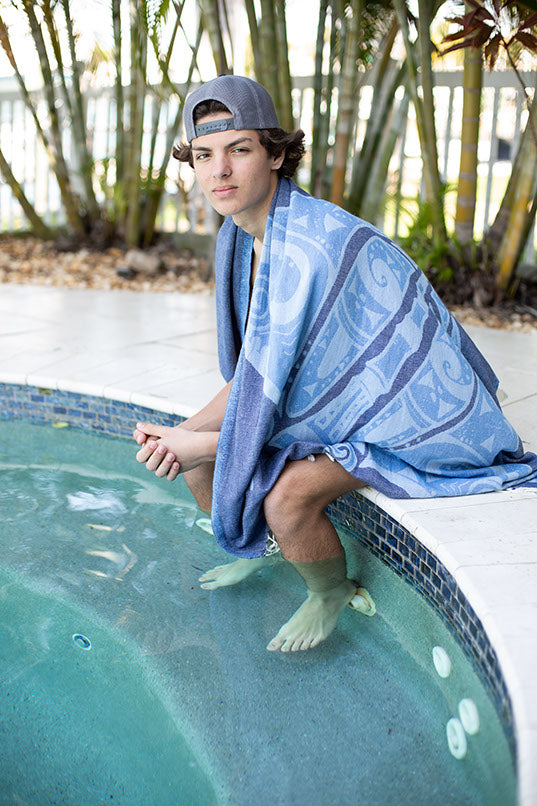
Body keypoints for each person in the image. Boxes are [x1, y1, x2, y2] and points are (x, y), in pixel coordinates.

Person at [133, 75, 537, 653]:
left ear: (275, 154)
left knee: (286, 498)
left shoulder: (312, 245)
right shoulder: (241, 236)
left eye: (238, 150)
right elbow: (262, 371)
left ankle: (331, 592)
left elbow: (313, 385)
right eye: (204, 155)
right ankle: (257, 546)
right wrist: (190, 438)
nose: (219, 170)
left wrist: (205, 442)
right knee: (190, 446)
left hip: (418, 423)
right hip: (354, 402)